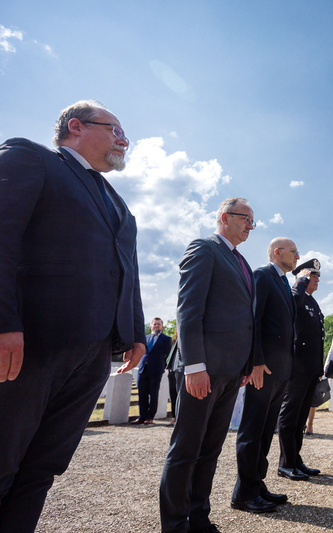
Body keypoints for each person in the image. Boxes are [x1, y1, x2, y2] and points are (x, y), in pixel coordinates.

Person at [0, 100, 146, 533]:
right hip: (29, 345)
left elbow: (126, 270)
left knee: (41, 469)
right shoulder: (29, 158)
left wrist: (134, 331)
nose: (123, 139)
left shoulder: (118, 204)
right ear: (75, 126)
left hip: (92, 351)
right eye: (115, 129)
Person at [159, 197, 257, 533]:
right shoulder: (204, 248)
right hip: (204, 369)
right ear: (225, 217)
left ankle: (199, 517)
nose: (250, 226)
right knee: (186, 448)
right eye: (246, 219)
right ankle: (174, 525)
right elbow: (188, 310)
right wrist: (194, 365)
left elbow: (245, 319)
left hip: (231, 372)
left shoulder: (241, 262)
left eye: (253, 222)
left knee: (211, 449)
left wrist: (245, 365)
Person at [232, 238, 299, 512]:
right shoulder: (262, 275)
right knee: (252, 429)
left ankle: (256, 484)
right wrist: (256, 362)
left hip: (280, 369)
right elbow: (254, 319)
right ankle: (243, 493)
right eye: (294, 251)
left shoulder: (282, 281)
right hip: (264, 368)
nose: (298, 256)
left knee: (265, 431)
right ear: (277, 252)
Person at [277, 259, 324, 480]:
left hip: (310, 368)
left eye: (316, 276)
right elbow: (290, 305)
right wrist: (299, 282)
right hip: (296, 367)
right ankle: (285, 463)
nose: (316, 280)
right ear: (301, 277)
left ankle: (296, 459)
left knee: (301, 416)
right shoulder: (294, 296)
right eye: (311, 276)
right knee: (290, 415)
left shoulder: (312, 302)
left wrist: (318, 368)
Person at [134, 317, 173, 424]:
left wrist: (165, 367)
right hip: (143, 369)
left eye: (158, 324)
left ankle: (150, 417)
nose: (156, 326)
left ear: (162, 326)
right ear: (151, 326)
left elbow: (168, 356)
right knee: (142, 393)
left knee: (153, 393)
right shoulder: (145, 338)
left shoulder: (166, 339)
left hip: (156, 370)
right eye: (155, 324)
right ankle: (141, 416)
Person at [164, 328, 181, 424]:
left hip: (181, 370)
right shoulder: (174, 342)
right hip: (172, 371)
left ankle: (180, 417)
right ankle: (174, 417)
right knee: (173, 393)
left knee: (180, 394)